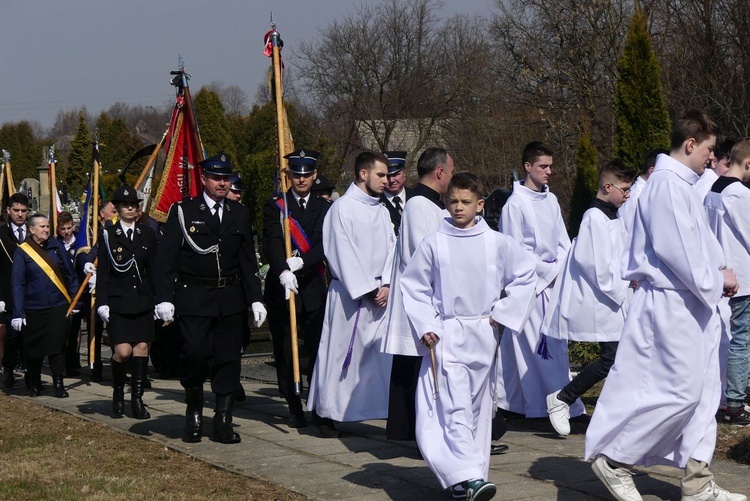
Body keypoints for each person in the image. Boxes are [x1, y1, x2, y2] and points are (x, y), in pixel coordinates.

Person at [585, 110, 746, 501]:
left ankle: (697, 483)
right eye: (709, 149)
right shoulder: (666, 187)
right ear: (691, 144)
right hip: (673, 304)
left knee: (706, 395)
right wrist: (717, 277)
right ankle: (616, 459)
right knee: (681, 393)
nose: (713, 158)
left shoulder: (680, 186)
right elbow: (679, 254)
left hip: (693, 304)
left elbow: (697, 245)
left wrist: (717, 271)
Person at [400, 173, 536, 501]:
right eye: (452, 202)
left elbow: (525, 273)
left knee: (478, 408)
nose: (458, 208)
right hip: (447, 333)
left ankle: (465, 482)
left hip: (484, 333)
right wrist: (426, 324)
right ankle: (471, 478)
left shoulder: (497, 242)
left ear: (480, 205)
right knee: (455, 405)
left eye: (465, 202)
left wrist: (503, 312)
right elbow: (414, 286)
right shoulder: (434, 243)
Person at [154, 153, 267, 444]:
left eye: (226, 178)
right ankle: (193, 408)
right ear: (203, 179)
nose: (222, 183)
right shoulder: (184, 211)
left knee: (229, 359)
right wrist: (164, 298)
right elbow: (166, 259)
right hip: (194, 297)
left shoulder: (238, 213)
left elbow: (247, 262)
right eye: (216, 177)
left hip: (229, 297)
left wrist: (255, 298)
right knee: (195, 353)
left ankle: (223, 418)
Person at [542, 160, 636, 437]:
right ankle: (562, 399)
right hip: (604, 298)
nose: (628, 194)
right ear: (608, 187)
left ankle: (618, 416)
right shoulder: (594, 218)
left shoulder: (613, 216)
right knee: (612, 357)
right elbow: (592, 263)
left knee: (624, 357)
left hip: (617, 297)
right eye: (625, 189)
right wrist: (623, 282)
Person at [307, 151, 396, 437]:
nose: (387, 180)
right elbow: (339, 251)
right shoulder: (341, 209)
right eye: (380, 175)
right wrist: (367, 288)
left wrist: (387, 284)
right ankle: (327, 412)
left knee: (376, 360)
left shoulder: (382, 211)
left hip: (379, 297)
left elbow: (394, 249)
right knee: (338, 356)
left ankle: (376, 411)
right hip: (350, 296)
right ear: (363, 174)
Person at [496, 142, 585, 420]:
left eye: (550, 166)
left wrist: (560, 268)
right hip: (532, 286)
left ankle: (544, 404)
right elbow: (515, 251)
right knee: (536, 350)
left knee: (554, 349)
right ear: (527, 167)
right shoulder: (515, 205)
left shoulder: (552, 199)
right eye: (543, 166)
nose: (549, 171)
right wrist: (546, 274)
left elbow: (562, 240)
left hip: (553, 282)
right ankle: (551, 406)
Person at [382, 147, 453, 441]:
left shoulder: (429, 205)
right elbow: (423, 256)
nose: (451, 177)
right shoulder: (420, 206)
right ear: (439, 172)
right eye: (450, 171)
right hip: (419, 298)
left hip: (424, 296)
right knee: (413, 367)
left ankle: (410, 431)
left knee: (413, 365)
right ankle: (412, 432)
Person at [263, 149, 330, 429]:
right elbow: (271, 242)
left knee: (317, 348)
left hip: (313, 285)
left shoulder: (326, 208)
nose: (301, 180)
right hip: (283, 287)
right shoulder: (277, 205)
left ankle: (318, 406)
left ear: (314, 176)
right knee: (286, 348)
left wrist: (301, 262)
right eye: (296, 174)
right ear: (288, 175)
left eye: (306, 175)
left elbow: (326, 245)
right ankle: (293, 403)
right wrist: (282, 270)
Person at [96, 185, 158, 419]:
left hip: (143, 300)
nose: (130, 208)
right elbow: (104, 273)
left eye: (134, 204)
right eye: (125, 205)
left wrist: (162, 300)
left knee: (141, 348)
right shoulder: (108, 235)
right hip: (119, 301)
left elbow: (154, 270)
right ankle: (118, 393)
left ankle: (137, 400)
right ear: (118, 209)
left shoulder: (148, 234)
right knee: (122, 352)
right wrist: (102, 302)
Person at [704, 138, 750, 425]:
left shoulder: (713, 190)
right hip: (742, 277)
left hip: (719, 272)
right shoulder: (741, 196)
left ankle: (727, 396)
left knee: (726, 338)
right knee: (742, 340)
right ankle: (734, 402)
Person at [11, 213, 78, 397]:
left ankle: (58, 384)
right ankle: (34, 383)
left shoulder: (56, 246)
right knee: (35, 348)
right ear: (31, 229)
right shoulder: (23, 251)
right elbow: (18, 284)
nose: (46, 230)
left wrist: (75, 299)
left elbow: (70, 274)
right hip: (34, 307)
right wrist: (18, 312)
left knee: (57, 346)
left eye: (47, 226)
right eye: (42, 227)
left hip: (58, 305)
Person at [1, 193, 30, 389]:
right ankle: (9, 369)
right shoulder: (1, 234)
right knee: (12, 335)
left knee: (30, 336)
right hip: (8, 293)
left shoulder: (33, 233)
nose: (20, 215)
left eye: (23, 211)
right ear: (8, 211)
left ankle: (30, 373)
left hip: (31, 293)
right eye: (16, 210)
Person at [617, 148, 667, 235]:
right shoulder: (635, 198)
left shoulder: (651, 193)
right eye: (667, 172)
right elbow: (631, 236)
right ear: (652, 171)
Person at [56, 211, 82, 377]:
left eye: (69, 227)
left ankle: (73, 363)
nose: (67, 231)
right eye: (63, 229)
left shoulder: (80, 242)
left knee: (75, 330)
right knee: (62, 330)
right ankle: (62, 363)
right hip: (61, 291)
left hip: (78, 291)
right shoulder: (55, 244)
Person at [379, 151, 413, 236]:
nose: (391, 180)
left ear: (404, 174)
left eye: (396, 174)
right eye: (388, 176)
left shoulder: (416, 197)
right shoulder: (375, 202)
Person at [695, 137, 735, 202]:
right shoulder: (707, 185)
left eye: (734, 167)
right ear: (714, 162)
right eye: (727, 166)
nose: (731, 171)